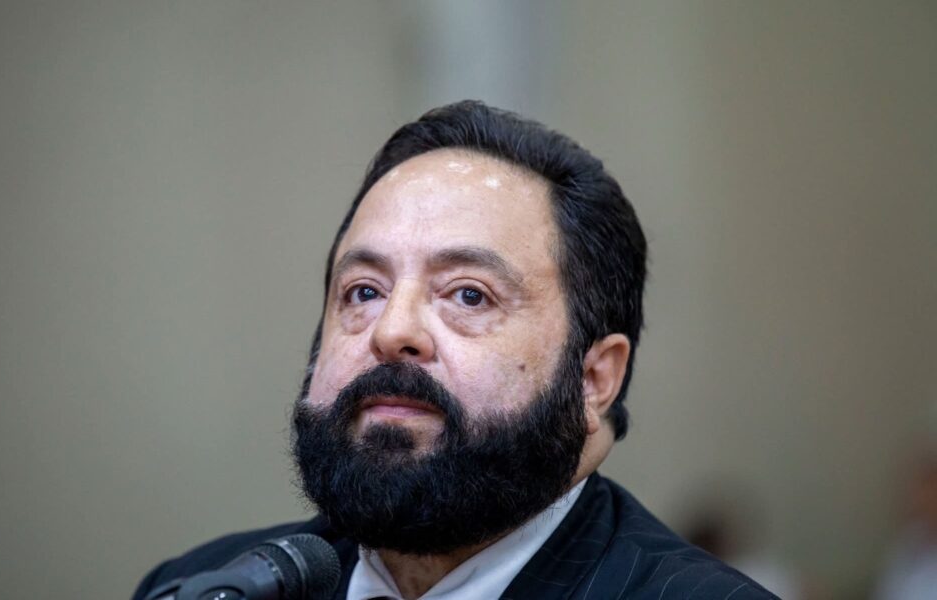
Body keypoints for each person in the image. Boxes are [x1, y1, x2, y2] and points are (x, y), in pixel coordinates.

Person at [133, 101, 775, 600]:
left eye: (469, 295)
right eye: (364, 291)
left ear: (594, 378)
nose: (392, 331)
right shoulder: (209, 586)